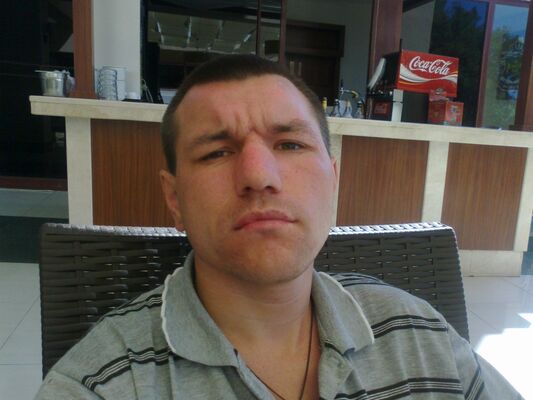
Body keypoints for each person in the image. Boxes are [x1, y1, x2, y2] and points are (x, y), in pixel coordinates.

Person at [35, 55, 522, 400]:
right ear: (174, 199)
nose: (258, 176)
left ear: (333, 180)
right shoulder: (100, 386)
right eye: (217, 152)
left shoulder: (421, 334)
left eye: (290, 144)